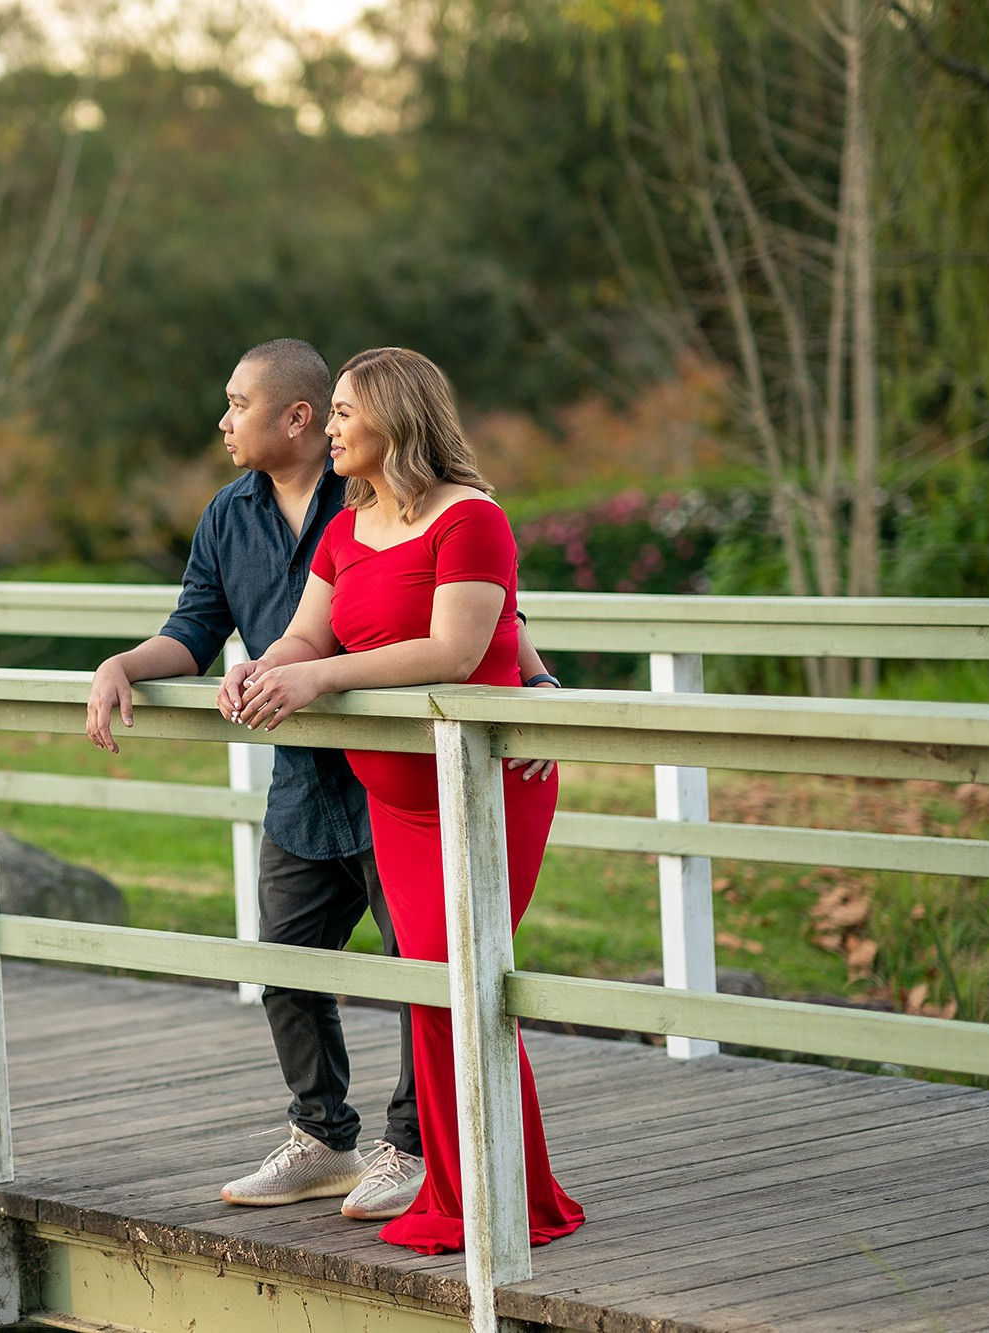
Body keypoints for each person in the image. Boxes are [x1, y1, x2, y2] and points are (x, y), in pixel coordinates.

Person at [86, 338, 559, 1223]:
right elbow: (222, 631)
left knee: (434, 976)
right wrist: (163, 663)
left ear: (309, 416)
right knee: (294, 965)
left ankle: (429, 1159)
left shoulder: (434, 507)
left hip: (433, 777)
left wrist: (538, 688)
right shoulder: (263, 518)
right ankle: (329, 1139)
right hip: (325, 779)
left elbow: (479, 628)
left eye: (238, 402)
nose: (222, 420)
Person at [216, 346, 584, 1255]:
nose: (329, 428)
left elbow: (455, 653)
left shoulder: (473, 521)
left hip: (483, 787)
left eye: (343, 412)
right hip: (397, 802)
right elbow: (306, 634)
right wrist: (264, 670)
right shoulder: (348, 526)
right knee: (431, 991)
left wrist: (319, 681)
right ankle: (471, 1192)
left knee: (466, 982)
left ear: (394, 417)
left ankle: (507, 1196)